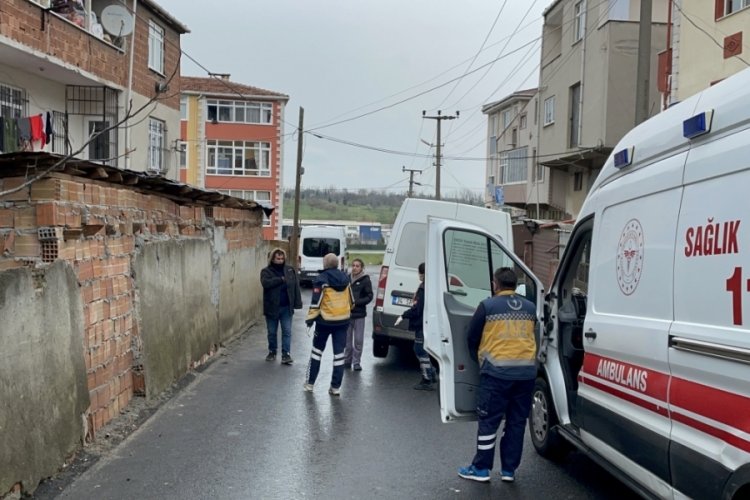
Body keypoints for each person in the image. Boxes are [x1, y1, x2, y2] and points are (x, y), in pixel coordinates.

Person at [458, 267, 538, 483]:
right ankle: (509, 470)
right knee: (516, 422)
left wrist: (480, 360)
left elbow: (472, 336)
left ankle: (481, 469)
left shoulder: (487, 306)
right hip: (525, 373)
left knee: (489, 421)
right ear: (515, 285)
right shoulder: (530, 308)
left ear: (495, 284)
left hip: (496, 373)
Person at [304, 253, 354, 396]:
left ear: (325, 264)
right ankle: (335, 387)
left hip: (324, 322)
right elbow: (351, 300)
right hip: (342, 322)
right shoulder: (346, 278)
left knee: (317, 352)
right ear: (337, 264)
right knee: (339, 355)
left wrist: (310, 320)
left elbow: (316, 302)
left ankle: (310, 384)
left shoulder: (321, 279)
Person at [396, 262, 436, 391]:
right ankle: (432, 373)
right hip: (426, 322)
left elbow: (417, 309)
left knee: (420, 349)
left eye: (419, 272)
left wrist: (404, 315)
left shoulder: (423, 289)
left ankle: (427, 378)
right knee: (421, 348)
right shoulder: (430, 286)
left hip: (421, 323)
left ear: (423, 274)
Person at [260, 248, 302, 364]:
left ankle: (286, 354)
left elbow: (295, 288)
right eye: (278, 258)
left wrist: (297, 303)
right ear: (273, 258)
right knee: (272, 332)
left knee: (287, 331)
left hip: (286, 308)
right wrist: (280, 280)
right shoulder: (266, 271)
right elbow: (266, 283)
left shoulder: (289, 270)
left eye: (282, 258)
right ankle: (272, 351)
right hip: (272, 307)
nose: (280, 260)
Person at [345, 258, 373, 371]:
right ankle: (347, 360)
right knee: (347, 340)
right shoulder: (347, 278)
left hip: (359, 314)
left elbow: (370, 296)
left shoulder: (365, 280)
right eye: (353, 265)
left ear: (362, 268)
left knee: (358, 340)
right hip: (347, 314)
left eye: (357, 266)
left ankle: (356, 362)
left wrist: (357, 303)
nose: (355, 268)